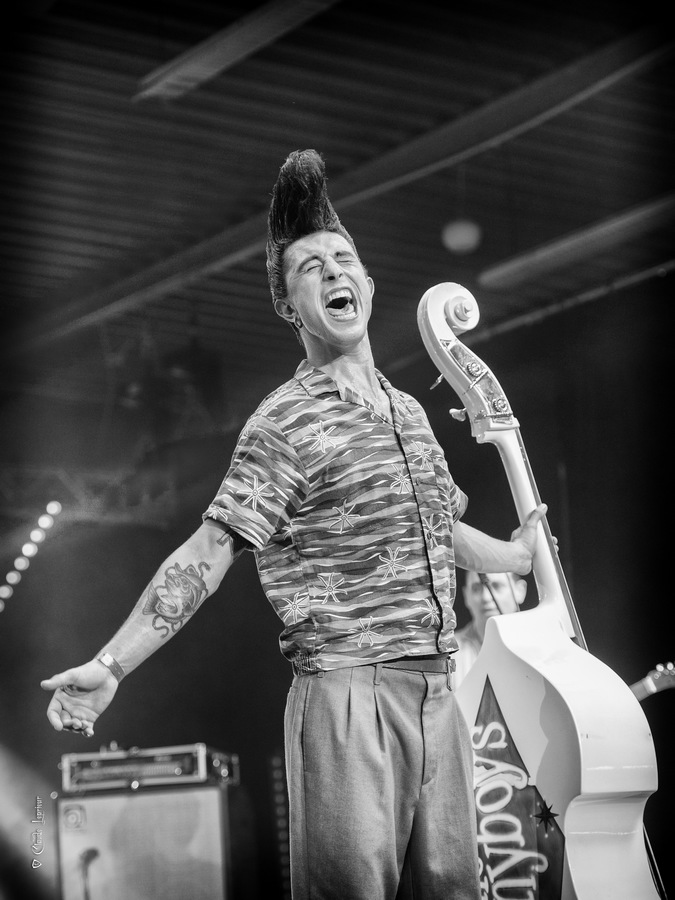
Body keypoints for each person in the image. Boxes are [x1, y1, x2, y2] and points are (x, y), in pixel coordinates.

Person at [41, 149, 547, 900]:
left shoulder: (409, 412)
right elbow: (209, 551)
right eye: (312, 267)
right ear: (288, 306)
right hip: (347, 694)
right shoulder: (285, 421)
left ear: (367, 284)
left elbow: (435, 530)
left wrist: (515, 557)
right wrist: (111, 666)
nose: (334, 271)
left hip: (438, 690)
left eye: (344, 260)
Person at [453, 570, 527, 687]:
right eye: (476, 589)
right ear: (466, 596)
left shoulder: (542, 647)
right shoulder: (447, 653)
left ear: (520, 591)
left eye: (497, 586)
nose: (486, 597)